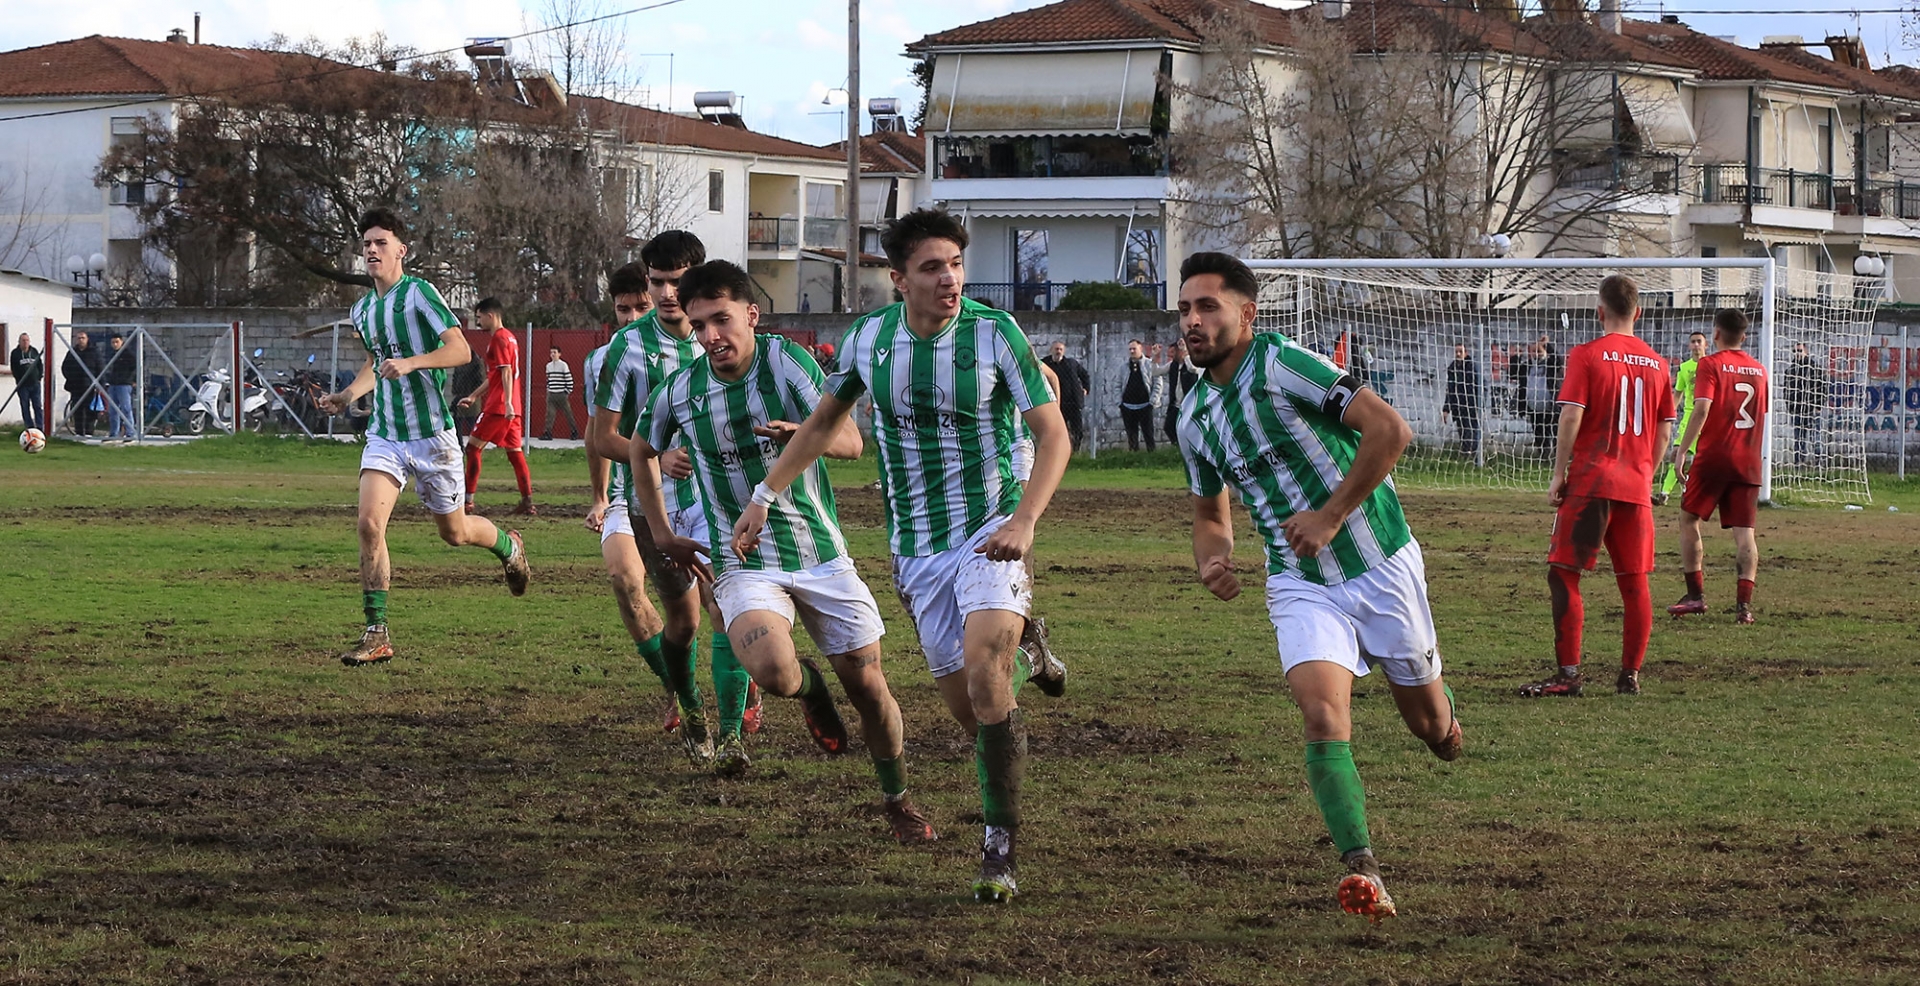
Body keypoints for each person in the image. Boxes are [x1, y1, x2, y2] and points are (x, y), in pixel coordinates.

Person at [733, 207, 1070, 903]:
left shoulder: (994, 333)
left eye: (957, 265)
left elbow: (1053, 434)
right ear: (899, 278)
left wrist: (1025, 519)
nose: (950, 279)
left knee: (985, 676)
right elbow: (822, 425)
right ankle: (1029, 651)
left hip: (991, 528)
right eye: (932, 268)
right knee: (972, 710)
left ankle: (999, 848)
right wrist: (764, 495)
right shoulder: (869, 340)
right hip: (917, 548)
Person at [1174, 251, 1460, 924]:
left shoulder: (1284, 365)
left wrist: (1330, 516)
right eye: (1184, 309)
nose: (1192, 321)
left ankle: (1445, 722)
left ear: (1247, 313)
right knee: (1322, 716)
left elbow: (1390, 430)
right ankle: (1363, 868)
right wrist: (1212, 559)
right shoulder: (1192, 419)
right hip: (1299, 582)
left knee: (1429, 727)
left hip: (1380, 563)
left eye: (1208, 306)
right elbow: (1210, 515)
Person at [630, 260, 934, 842]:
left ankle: (897, 799)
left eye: (722, 320)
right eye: (699, 325)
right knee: (772, 670)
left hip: (820, 554)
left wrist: (801, 435)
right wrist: (662, 532)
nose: (711, 336)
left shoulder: (786, 362)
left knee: (869, 689)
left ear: (751, 314)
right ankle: (809, 689)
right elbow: (641, 449)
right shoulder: (682, 391)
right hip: (742, 561)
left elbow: (851, 442)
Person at [317, 208, 531, 667]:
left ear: (401, 250)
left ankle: (509, 546)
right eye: (367, 243)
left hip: (432, 435)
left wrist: (412, 362)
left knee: (455, 532)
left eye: (381, 242)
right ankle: (376, 632)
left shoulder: (419, 294)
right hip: (386, 435)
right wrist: (348, 395)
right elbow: (376, 362)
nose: (372, 250)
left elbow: (460, 350)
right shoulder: (362, 310)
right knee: (369, 525)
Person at [592, 234, 751, 763]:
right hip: (652, 506)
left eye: (676, 282)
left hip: (716, 499)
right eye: (656, 281)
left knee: (724, 607)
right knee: (682, 623)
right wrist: (655, 459)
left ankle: (731, 738)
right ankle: (691, 708)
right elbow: (602, 438)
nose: (665, 293)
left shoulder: (722, 338)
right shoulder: (627, 348)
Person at [1520, 274, 1674, 698]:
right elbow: (1665, 431)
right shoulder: (1659, 364)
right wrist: (1646, 473)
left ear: (1599, 311)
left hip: (1592, 480)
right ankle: (1630, 675)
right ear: (1638, 313)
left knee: (1563, 574)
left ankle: (1568, 675)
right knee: (1634, 582)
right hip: (1635, 486)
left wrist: (1558, 473)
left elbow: (1571, 415)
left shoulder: (1586, 355)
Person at [1667, 310, 1767, 626]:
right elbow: (1759, 414)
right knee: (1745, 534)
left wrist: (1682, 451)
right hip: (1747, 460)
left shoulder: (1709, 365)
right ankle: (1744, 608)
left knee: (1688, 518)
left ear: (1716, 335)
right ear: (1744, 337)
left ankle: (1695, 595)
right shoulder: (1760, 370)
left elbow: (1702, 409)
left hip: (1714, 457)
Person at [456, 298, 535, 516]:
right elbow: (497, 375)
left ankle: (467, 501)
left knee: (473, 449)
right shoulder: (510, 337)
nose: (478, 322)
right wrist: (474, 396)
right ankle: (527, 502)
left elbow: (506, 371)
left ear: (490, 316)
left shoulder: (499, 338)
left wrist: (506, 402)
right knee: (515, 453)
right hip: (513, 407)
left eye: (479, 317)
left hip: (499, 406)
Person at [1654, 331, 1708, 506]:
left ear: (1706, 345)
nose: (1696, 345)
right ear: (1689, 345)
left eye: (1699, 341)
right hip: (1689, 417)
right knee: (1677, 453)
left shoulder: (1711, 365)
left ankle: (1697, 491)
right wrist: (1668, 414)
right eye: (1693, 341)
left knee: (1704, 458)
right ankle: (1664, 492)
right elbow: (1678, 394)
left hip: (1708, 416)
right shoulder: (1684, 368)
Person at [1782, 341, 1828, 467]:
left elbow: (1823, 388)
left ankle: (1818, 462)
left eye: (1800, 351)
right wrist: (1790, 406)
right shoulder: (1790, 370)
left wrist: (1819, 406)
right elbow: (1786, 390)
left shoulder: (1815, 369)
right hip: (1798, 409)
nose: (1797, 354)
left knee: (1815, 436)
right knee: (1799, 437)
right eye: (1795, 351)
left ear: (1806, 352)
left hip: (1812, 409)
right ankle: (1799, 462)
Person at [1041, 341, 1089, 451]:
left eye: (1060, 349)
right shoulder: (1045, 364)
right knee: (1057, 430)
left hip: (1073, 402)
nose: (1058, 351)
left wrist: (1086, 388)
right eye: (1056, 349)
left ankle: (1076, 451)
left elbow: (1084, 375)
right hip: (1056, 403)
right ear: (1051, 350)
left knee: (1077, 430)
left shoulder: (1071, 364)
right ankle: (1059, 451)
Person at [1155, 339, 1199, 448]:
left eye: (1173, 352)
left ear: (1179, 351)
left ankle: (1190, 448)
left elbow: (1193, 369)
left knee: (1189, 429)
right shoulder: (1172, 365)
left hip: (1190, 404)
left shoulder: (1191, 362)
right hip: (1176, 404)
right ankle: (1177, 447)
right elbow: (1155, 372)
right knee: (1168, 427)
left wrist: (1185, 353)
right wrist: (1155, 357)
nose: (1170, 355)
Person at [1441, 343, 1480, 457]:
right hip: (1458, 407)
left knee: (1471, 433)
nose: (1458, 354)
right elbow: (1450, 389)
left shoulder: (1472, 368)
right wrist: (1446, 409)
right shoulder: (1452, 368)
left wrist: (1478, 405)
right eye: (1456, 352)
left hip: (1471, 407)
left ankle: (1473, 456)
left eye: (1460, 352)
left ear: (1466, 353)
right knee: (1463, 433)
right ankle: (1466, 456)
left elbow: (1481, 387)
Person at [63, 331, 101, 437]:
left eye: (83, 338)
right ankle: (79, 432)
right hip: (76, 386)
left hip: (89, 386)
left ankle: (89, 432)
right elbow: (65, 367)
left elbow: (100, 367)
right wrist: (71, 378)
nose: (81, 340)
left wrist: (99, 384)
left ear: (87, 339)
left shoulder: (94, 352)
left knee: (90, 410)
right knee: (77, 410)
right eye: (79, 338)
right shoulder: (72, 352)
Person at [1120, 339, 1155, 451]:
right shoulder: (1124, 367)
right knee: (1131, 435)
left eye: (1134, 349)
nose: (1132, 351)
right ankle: (1134, 455)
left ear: (1141, 349)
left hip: (1145, 405)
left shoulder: (1150, 364)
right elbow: (1117, 384)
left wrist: (1153, 401)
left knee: (1148, 433)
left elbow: (1158, 383)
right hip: (1128, 406)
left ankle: (1153, 455)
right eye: (1130, 349)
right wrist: (1119, 402)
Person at [542, 346, 580, 441]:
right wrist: (548, 389)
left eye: (555, 352)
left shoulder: (563, 365)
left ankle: (574, 431)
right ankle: (547, 433)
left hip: (561, 394)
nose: (552, 354)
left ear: (559, 354)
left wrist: (567, 391)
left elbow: (569, 379)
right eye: (551, 352)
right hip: (552, 393)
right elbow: (548, 379)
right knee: (550, 415)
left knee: (568, 413)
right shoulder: (548, 366)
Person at [10, 332, 44, 432]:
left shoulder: (34, 351)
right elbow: (14, 368)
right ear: (19, 342)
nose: (25, 342)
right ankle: (29, 427)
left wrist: (39, 377)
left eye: (27, 340)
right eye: (23, 340)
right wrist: (18, 379)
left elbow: (39, 365)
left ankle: (40, 427)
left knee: (37, 405)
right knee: (25, 406)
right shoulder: (15, 353)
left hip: (35, 384)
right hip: (23, 385)